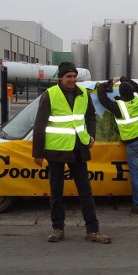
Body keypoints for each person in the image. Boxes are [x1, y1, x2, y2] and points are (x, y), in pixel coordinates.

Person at [32, 62, 111, 244]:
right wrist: (38, 152)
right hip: (56, 151)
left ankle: (93, 231)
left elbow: (91, 116)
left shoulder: (83, 94)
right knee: (56, 193)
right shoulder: (50, 95)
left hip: (78, 149)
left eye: (74, 77)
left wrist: (91, 135)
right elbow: (39, 125)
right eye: (69, 77)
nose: (72, 80)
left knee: (85, 191)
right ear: (60, 78)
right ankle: (58, 229)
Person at [97, 76, 138, 214]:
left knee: (134, 173)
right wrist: (122, 78)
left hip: (133, 143)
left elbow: (102, 98)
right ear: (132, 91)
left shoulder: (119, 107)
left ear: (120, 94)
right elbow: (137, 86)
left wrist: (107, 83)